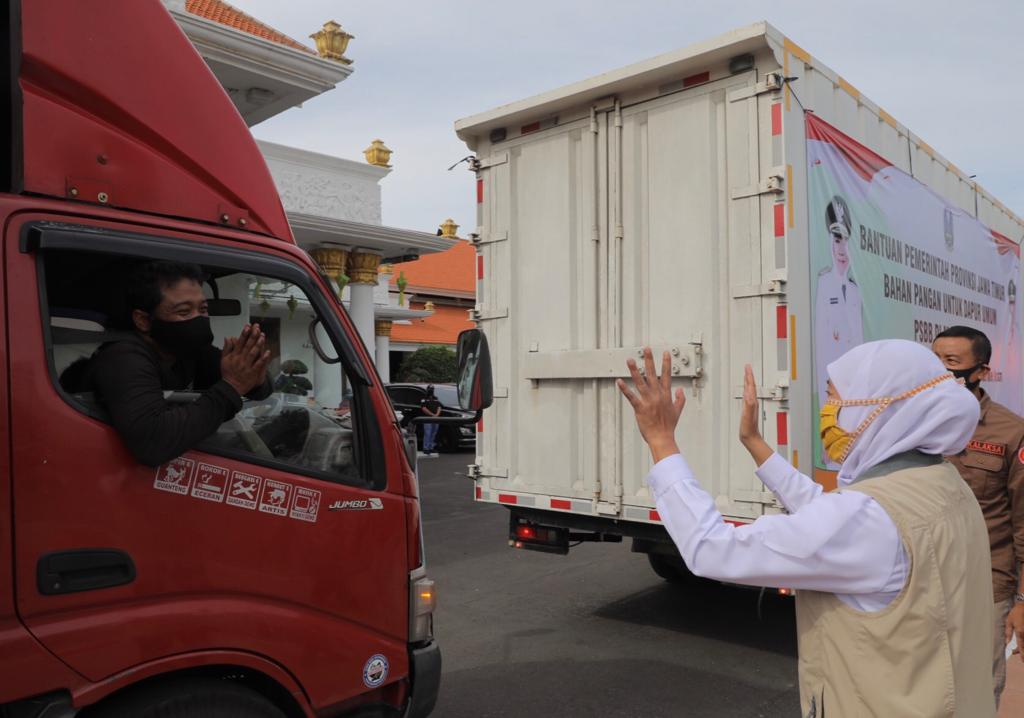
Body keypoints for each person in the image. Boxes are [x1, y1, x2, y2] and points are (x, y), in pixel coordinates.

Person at [617, 341, 995, 716]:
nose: (829, 413)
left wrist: (661, 441)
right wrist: (756, 446)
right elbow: (834, 520)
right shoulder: (942, 481)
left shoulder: (869, 518)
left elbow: (713, 550)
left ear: (882, 409)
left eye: (835, 400)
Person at [82, 261, 272, 467]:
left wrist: (255, 373)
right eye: (183, 312)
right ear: (143, 320)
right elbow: (152, 442)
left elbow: (258, 389)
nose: (198, 319)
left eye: (203, 309)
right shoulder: (122, 358)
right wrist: (233, 385)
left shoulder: (191, 353)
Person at [932, 325, 1024, 706]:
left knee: (977, 692)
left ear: (981, 371)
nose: (940, 371)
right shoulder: (911, 422)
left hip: (985, 583)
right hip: (923, 578)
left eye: (952, 362)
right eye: (934, 359)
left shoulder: (1009, 431)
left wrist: (1021, 599)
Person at [814, 195, 863, 467]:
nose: (842, 249)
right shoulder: (823, 284)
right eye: (836, 240)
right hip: (832, 393)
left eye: (846, 240)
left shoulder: (855, 291)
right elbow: (822, 352)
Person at [419, 385, 442, 454]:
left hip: (436, 418)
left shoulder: (436, 398)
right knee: (428, 433)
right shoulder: (424, 398)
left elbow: (439, 407)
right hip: (427, 418)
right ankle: (426, 448)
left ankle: (431, 447)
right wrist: (432, 415)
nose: (431, 390)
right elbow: (424, 408)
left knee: (434, 433)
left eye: (432, 389)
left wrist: (437, 415)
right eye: (430, 389)